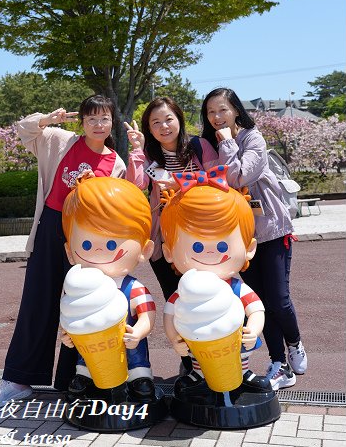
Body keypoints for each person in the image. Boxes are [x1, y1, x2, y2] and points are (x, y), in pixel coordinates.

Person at [0, 95, 126, 406]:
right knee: (37, 298)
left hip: (86, 236)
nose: (98, 124)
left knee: (82, 302)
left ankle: (71, 379)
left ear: (111, 122)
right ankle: (19, 378)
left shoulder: (115, 162)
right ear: (82, 122)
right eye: (91, 118)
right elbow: (23, 129)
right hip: (52, 224)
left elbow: (113, 204)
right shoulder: (60, 140)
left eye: (104, 118)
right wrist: (47, 119)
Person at [200, 87, 307, 390]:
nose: (217, 117)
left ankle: (295, 343)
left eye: (222, 110)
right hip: (242, 237)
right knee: (258, 302)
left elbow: (239, 176)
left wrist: (228, 143)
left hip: (272, 230)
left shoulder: (252, 138)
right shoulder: (212, 142)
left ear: (235, 109)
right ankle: (279, 363)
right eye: (211, 112)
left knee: (278, 298)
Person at [160, 178, 271, 395]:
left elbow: (256, 309)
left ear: (249, 248)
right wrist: (175, 339)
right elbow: (169, 314)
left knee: (240, 353)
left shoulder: (236, 288)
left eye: (222, 245)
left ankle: (244, 372)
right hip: (198, 341)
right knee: (199, 353)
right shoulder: (185, 291)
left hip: (235, 338)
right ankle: (199, 374)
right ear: (169, 252)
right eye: (198, 246)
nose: (210, 252)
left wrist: (254, 330)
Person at [61, 176, 157, 400]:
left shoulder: (133, 288)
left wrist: (140, 330)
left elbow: (147, 314)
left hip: (129, 343)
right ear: (69, 251)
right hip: (92, 347)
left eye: (112, 244)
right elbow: (70, 314)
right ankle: (85, 376)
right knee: (87, 355)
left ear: (145, 250)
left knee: (135, 356)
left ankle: (139, 377)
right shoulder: (77, 287)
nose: (97, 251)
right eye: (86, 244)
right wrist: (68, 334)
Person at [124, 97, 217, 301]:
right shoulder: (149, 153)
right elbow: (135, 185)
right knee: (174, 298)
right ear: (149, 128)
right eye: (155, 122)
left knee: (209, 295)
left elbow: (218, 178)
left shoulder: (199, 146)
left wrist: (184, 182)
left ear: (179, 119)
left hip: (202, 234)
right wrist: (138, 149)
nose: (163, 126)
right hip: (164, 237)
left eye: (168, 119)